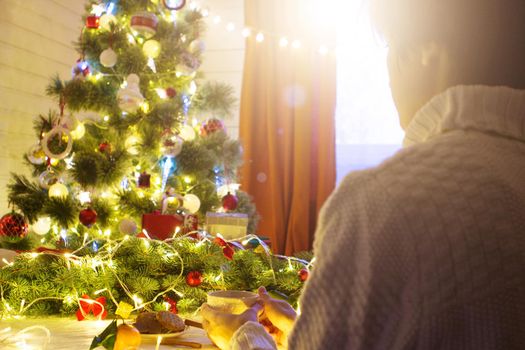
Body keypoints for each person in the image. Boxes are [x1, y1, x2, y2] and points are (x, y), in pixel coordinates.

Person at [201, 0, 525, 348]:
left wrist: (243, 335)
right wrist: (304, 330)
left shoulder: (382, 204)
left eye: (390, 47)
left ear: (427, 52)